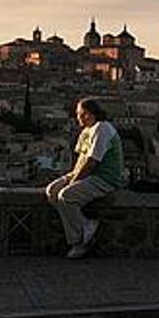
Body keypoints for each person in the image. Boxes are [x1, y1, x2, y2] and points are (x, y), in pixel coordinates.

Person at [44, 98, 125, 259]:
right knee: (52, 191)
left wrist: (74, 182)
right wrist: (71, 177)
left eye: (80, 114)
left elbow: (91, 162)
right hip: (87, 174)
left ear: (89, 114)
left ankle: (79, 240)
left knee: (66, 196)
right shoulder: (86, 131)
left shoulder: (102, 129)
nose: (78, 117)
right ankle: (84, 227)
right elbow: (81, 160)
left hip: (104, 178)